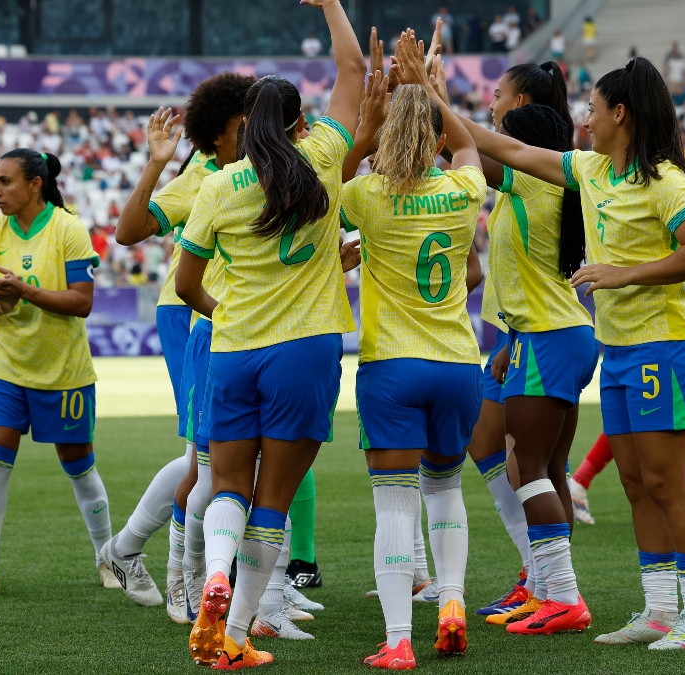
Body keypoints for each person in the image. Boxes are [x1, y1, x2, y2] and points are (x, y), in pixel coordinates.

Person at [460, 57, 685, 651]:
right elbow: (499, 145)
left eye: (594, 109)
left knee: (666, 481)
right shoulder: (591, 170)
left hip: (665, 344)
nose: (585, 118)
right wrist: (426, 94)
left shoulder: (666, 182)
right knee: (633, 482)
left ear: (620, 115)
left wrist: (623, 273)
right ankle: (658, 611)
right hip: (619, 347)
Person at [175, 0, 365, 668]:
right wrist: (331, 5)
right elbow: (353, 70)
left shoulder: (219, 185)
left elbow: (184, 284)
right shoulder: (322, 155)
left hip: (235, 348)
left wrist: (218, 305)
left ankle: (215, 574)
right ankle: (236, 634)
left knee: (227, 481)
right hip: (306, 348)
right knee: (274, 499)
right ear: (299, 121)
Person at [342, 49, 485, 665]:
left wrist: (368, 124)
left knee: (394, 503)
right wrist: (430, 91)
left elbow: (324, 178)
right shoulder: (460, 190)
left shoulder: (367, 196)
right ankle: (451, 600)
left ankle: (399, 640)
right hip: (457, 361)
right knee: (446, 492)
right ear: (432, 135)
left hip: (392, 367)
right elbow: (471, 147)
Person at [103, 72, 255, 626]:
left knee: (218, 453)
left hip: (235, 320)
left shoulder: (262, 166)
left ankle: (129, 551)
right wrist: (156, 162)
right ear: (219, 133)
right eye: (248, 122)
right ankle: (177, 577)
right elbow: (130, 229)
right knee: (207, 452)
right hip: (192, 312)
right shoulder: (207, 173)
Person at [450, 60, 583, 626]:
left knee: (527, 467)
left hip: (548, 334)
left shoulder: (531, 176)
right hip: (534, 333)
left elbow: (462, 145)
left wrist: (427, 92)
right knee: (533, 465)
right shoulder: (534, 184)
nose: (492, 110)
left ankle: (561, 596)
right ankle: (543, 583)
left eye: (500, 97)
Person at [0, 149, 117, 598]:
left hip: (62, 368)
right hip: (6, 363)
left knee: (78, 464)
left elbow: (82, 302)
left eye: (5, 182)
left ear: (34, 185)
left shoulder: (68, 228)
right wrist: (4, 304)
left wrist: (22, 291)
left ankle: (108, 559)